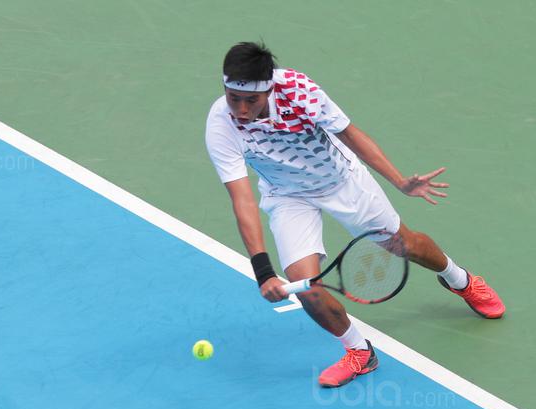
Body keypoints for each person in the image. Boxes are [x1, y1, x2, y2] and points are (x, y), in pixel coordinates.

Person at [204, 41, 505, 387]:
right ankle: (360, 352)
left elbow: (348, 133)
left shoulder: (299, 90)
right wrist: (262, 271)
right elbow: (241, 197)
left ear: (269, 88)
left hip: (342, 181)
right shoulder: (220, 124)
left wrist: (398, 181)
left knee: (405, 245)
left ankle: (460, 280)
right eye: (232, 97)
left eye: (250, 100)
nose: (240, 110)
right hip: (287, 195)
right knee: (306, 288)